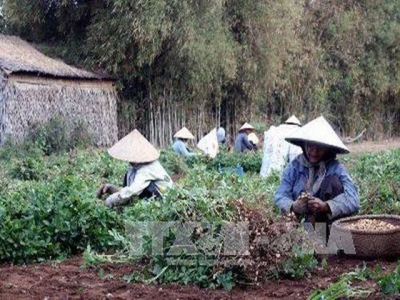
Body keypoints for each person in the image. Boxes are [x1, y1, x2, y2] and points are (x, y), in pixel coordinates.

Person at [274, 116, 359, 225]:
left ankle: (324, 238)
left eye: (319, 148)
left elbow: (353, 199)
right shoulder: (295, 166)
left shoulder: (336, 168)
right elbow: (280, 195)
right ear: (304, 145)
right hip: (299, 224)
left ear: (327, 149)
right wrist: (293, 206)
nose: (314, 153)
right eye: (310, 147)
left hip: (327, 225)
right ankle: (308, 238)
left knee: (332, 182)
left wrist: (326, 206)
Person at [97, 129, 173, 207]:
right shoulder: (135, 168)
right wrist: (112, 189)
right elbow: (130, 189)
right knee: (129, 176)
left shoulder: (146, 169)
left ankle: (147, 208)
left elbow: (133, 191)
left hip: (164, 201)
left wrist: (110, 200)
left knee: (146, 187)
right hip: (152, 195)